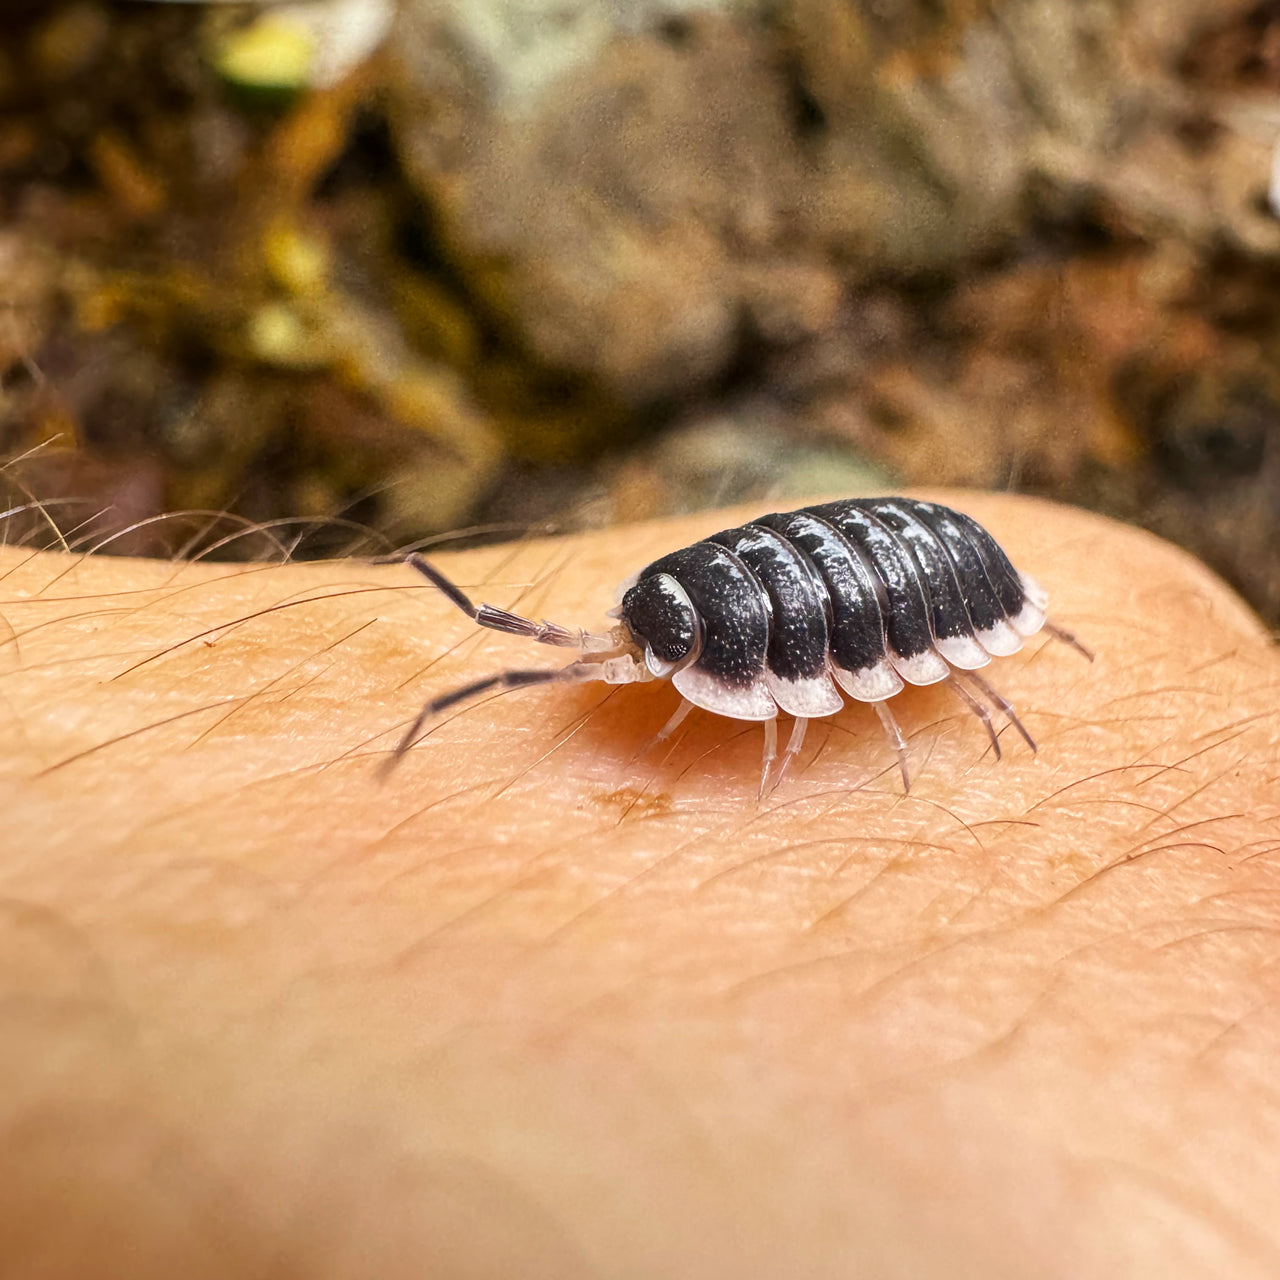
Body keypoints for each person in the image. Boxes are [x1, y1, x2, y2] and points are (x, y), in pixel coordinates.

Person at [1, 492, 1277, 1278]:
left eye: (655, 644)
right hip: (851, 561)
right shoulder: (669, 621)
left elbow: (837, 667)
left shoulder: (821, 637)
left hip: (941, 563)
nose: (616, 658)